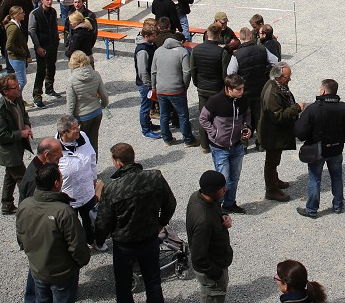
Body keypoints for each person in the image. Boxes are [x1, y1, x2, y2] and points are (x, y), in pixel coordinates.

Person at [95, 142, 177, 303]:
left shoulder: (112, 188)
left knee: (123, 285)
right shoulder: (155, 177)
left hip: (124, 244)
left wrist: (99, 240)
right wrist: (161, 222)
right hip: (149, 237)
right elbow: (171, 203)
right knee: (153, 281)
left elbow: (103, 219)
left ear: (118, 163)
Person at [16, 163, 91, 303]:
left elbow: (21, 235)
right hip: (62, 273)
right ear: (56, 183)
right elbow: (77, 244)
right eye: (61, 178)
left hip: (37, 269)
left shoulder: (24, 205)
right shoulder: (63, 211)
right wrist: (79, 263)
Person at [294, 78, 345, 218]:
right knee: (337, 177)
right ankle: (338, 205)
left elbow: (299, 132)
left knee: (314, 179)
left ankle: (311, 209)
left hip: (317, 150)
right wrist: (340, 140)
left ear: (322, 91)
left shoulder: (313, 109)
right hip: (336, 149)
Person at [199, 74, 252, 214]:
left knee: (234, 178)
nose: (241, 92)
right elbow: (203, 118)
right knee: (223, 180)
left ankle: (229, 204)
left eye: (242, 89)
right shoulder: (215, 101)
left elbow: (247, 114)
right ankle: (216, 208)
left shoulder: (243, 100)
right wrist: (214, 133)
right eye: (238, 89)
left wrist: (248, 127)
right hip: (219, 148)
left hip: (237, 146)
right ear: (229, 89)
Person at [186, 170, 234, 303]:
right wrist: (216, 274)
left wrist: (222, 216)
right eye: (222, 188)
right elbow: (198, 257)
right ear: (212, 191)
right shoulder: (204, 221)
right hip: (212, 272)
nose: (226, 189)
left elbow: (214, 209)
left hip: (215, 263)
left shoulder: (197, 196)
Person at [258, 64, 303, 202]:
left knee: (274, 160)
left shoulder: (276, 85)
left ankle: (274, 181)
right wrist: (296, 108)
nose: (289, 79)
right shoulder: (272, 92)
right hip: (272, 133)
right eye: (287, 77)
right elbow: (277, 116)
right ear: (278, 76)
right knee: (271, 162)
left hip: (275, 132)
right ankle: (271, 190)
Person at [54, 116, 100, 249]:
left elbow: (92, 157)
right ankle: (75, 247)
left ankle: (93, 241)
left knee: (91, 219)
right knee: (70, 225)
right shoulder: (55, 148)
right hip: (68, 196)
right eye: (74, 128)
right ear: (64, 133)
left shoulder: (83, 136)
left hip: (87, 191)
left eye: (77, 126)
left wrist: (94, 177)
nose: (78, 130)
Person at [0, 73, 34, 214]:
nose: (19, 89)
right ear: (6, 91)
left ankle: (7, 204)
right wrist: (20, 134)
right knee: (25, 180)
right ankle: (31, 210)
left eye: (18, 86)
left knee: (10, 176)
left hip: (17, 146)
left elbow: (24, 114)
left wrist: (27, 125)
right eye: (15, 87)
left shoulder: (17, 98)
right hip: (9, 152)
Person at [151, 32, 198, 147]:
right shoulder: (183, 52)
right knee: (182, 115)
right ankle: (188, 139)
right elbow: (187, 72)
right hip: (177, 89)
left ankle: (167, 139)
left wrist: (154, 87)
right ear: (180, 42)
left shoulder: (158, 51)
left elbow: (153, 71)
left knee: (164, 114)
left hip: (161, 89)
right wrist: (185, 86)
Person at [192, 24, 226, 153]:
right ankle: (218, 143)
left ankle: (205, 145)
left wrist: (197, 83)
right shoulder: (221, 52)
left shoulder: (196, 50)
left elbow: (193, 69)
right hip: (217, 89)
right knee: (218, 117)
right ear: (219, 36)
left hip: (202, 88)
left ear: (207, 35)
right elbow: (224, 73)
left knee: (203, 116)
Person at [66, 51, 109, 156]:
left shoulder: (72, 80)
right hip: (96, 112)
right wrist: (103, 105)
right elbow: (104, 95)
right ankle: (94, 167)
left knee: (81, 144)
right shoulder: (95, 74)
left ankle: (85, 168)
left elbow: (71, 104)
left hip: (82, 116)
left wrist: (69, 122)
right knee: (94, 141)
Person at [28, 0, 60, 108]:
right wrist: (37, 46)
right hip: (42, 46)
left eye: (51, 0)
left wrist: (56, 39)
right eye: (48, 0)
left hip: (53, 44)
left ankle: (49, 88)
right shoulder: (35, 13)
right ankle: (37, 96)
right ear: (42, 0)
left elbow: (54, 26)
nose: (50, 2)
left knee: (52, 67)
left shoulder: (53, 11)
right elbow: (32, 31)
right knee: (41, 71)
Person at [134, 23, 161, 139]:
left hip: (150, 82)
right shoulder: (143, 50)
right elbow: (142, 71)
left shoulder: (150, 45)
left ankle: (149, 125)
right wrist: (149, 84)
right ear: (146, 36)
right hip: (146, 84)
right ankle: (146, 130)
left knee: (148, 105)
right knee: (145, 107)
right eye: (153, 36)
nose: (155, 38)